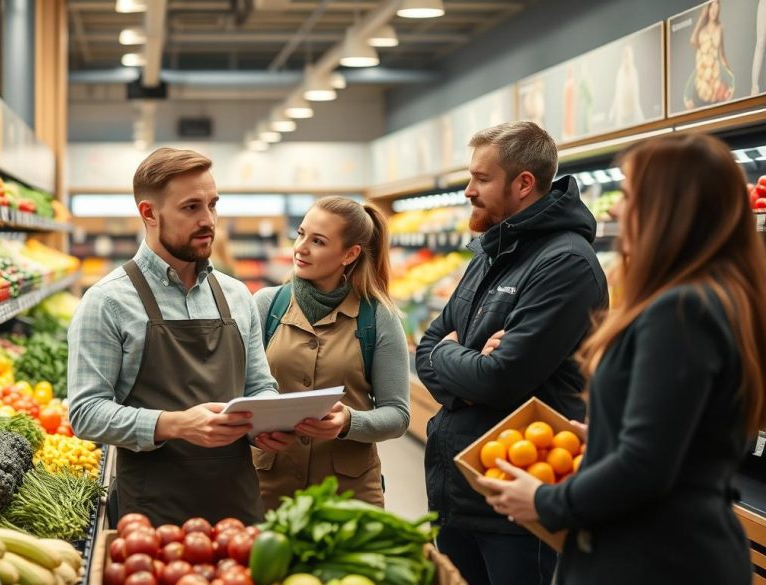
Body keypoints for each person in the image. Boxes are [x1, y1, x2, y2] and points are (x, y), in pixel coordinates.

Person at [479, 133, 766, 584]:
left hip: (657, 559)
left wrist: (544, 502)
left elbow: (645, 467)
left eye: (629, 195)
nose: (614, 209)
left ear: (665, 210)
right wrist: (610, 431)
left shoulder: (681, 311)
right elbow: (684, 437)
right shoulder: (712, 299)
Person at [415, 121, 608, 585]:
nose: (467, 191)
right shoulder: (488, 251)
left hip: (521, 498)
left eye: (481, 179)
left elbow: (499, 379)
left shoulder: (566, 263)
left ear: (523, 184)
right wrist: (467, 359)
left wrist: (458, 357)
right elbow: (423, 350)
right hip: (459, 491)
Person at [67, 148, 294, 526]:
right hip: (151, 518)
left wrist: (267, 422)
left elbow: (259, 386)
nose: (208, 220)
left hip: (237, 510)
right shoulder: (107, 302)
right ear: (149, 213)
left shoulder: (237, 295)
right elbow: (86, 413)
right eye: (191, 208)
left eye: (213, 204)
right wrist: (175, 424)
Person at [252, 196, 410, 511]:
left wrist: (349, 422)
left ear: (349, 254)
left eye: (318, 241)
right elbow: (237, 391)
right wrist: (254, 434)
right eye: (300, 234)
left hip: (348, 496)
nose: (301, 247)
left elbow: (398, 415)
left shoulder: (377, 316)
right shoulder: (266, 305)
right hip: (269, 489)